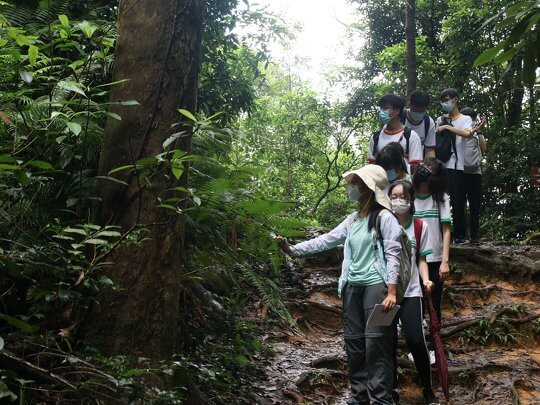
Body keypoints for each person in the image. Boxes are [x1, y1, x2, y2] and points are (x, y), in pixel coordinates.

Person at [277, 165, 402, 405]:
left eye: (354, 182)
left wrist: (393, 291)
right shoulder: (353, 220)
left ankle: (381, 399)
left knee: (377, 342)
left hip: (379, 288)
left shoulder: (385, 218)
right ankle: (359, 397)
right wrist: (292, 250)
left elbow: (394, 253)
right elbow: (327, 240)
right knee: (354, 343)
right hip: (352, 287)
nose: (350, 187)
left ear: (366, 188)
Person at [388, 180, 438, 405]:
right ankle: (391, 389)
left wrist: (426, 279)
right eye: (394, 196)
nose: (398, 201)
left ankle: (427, 389)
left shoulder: (420, 227)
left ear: (411, 200)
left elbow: (421, 259)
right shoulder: (383, 223)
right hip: (386, 292)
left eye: (402, 196)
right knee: (387, 341)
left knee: (416, 340)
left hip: (411, 292)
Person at [412, 158, 451, 322]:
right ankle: (417, 342)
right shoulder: (407, 195)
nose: (424, 168)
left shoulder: (441, 197)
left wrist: (445, 261)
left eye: (429, 168)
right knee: (415, 302)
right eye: (423, 165)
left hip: (434, 258)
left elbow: (446, 229)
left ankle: (435, 341)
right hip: (412, 257)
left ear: (435, 177)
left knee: (434, 302)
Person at [436, 89, 473, 244]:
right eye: (443, 100)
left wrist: (448, 127)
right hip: (441, 165)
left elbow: (468, 133)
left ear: (456, 100)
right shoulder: (440, 119)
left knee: (458, 202)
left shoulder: (465, 119)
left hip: (456, 166)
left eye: (448, 99)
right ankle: (442, 235)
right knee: (439, 200)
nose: (445, 102)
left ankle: (460, 236)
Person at [368, 93, 423, 171]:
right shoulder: (375, 137)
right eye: (381, 108)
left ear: (397, 111)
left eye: (385, 108)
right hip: (382, 183)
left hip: (404, 182)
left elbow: (415, 168)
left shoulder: (411, 136)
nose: (381, 112)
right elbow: (372, 167)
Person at [460, 108, 487, 244]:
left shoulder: (477, 133)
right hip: (460, 172)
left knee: (475, 205)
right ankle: (461, 236)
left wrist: (479, 131)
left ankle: (474, 236)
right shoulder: (459, 130)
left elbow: (483, 149)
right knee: (460, 205)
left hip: (475, 173)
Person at [403, 90, 436, 158]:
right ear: (410, 105)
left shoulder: (428, 122)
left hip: (417, 162)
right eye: (415, 110)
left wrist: (429, 165)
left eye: (422, 111)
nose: (418, 113)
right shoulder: (400, 118)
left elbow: (429, 150)